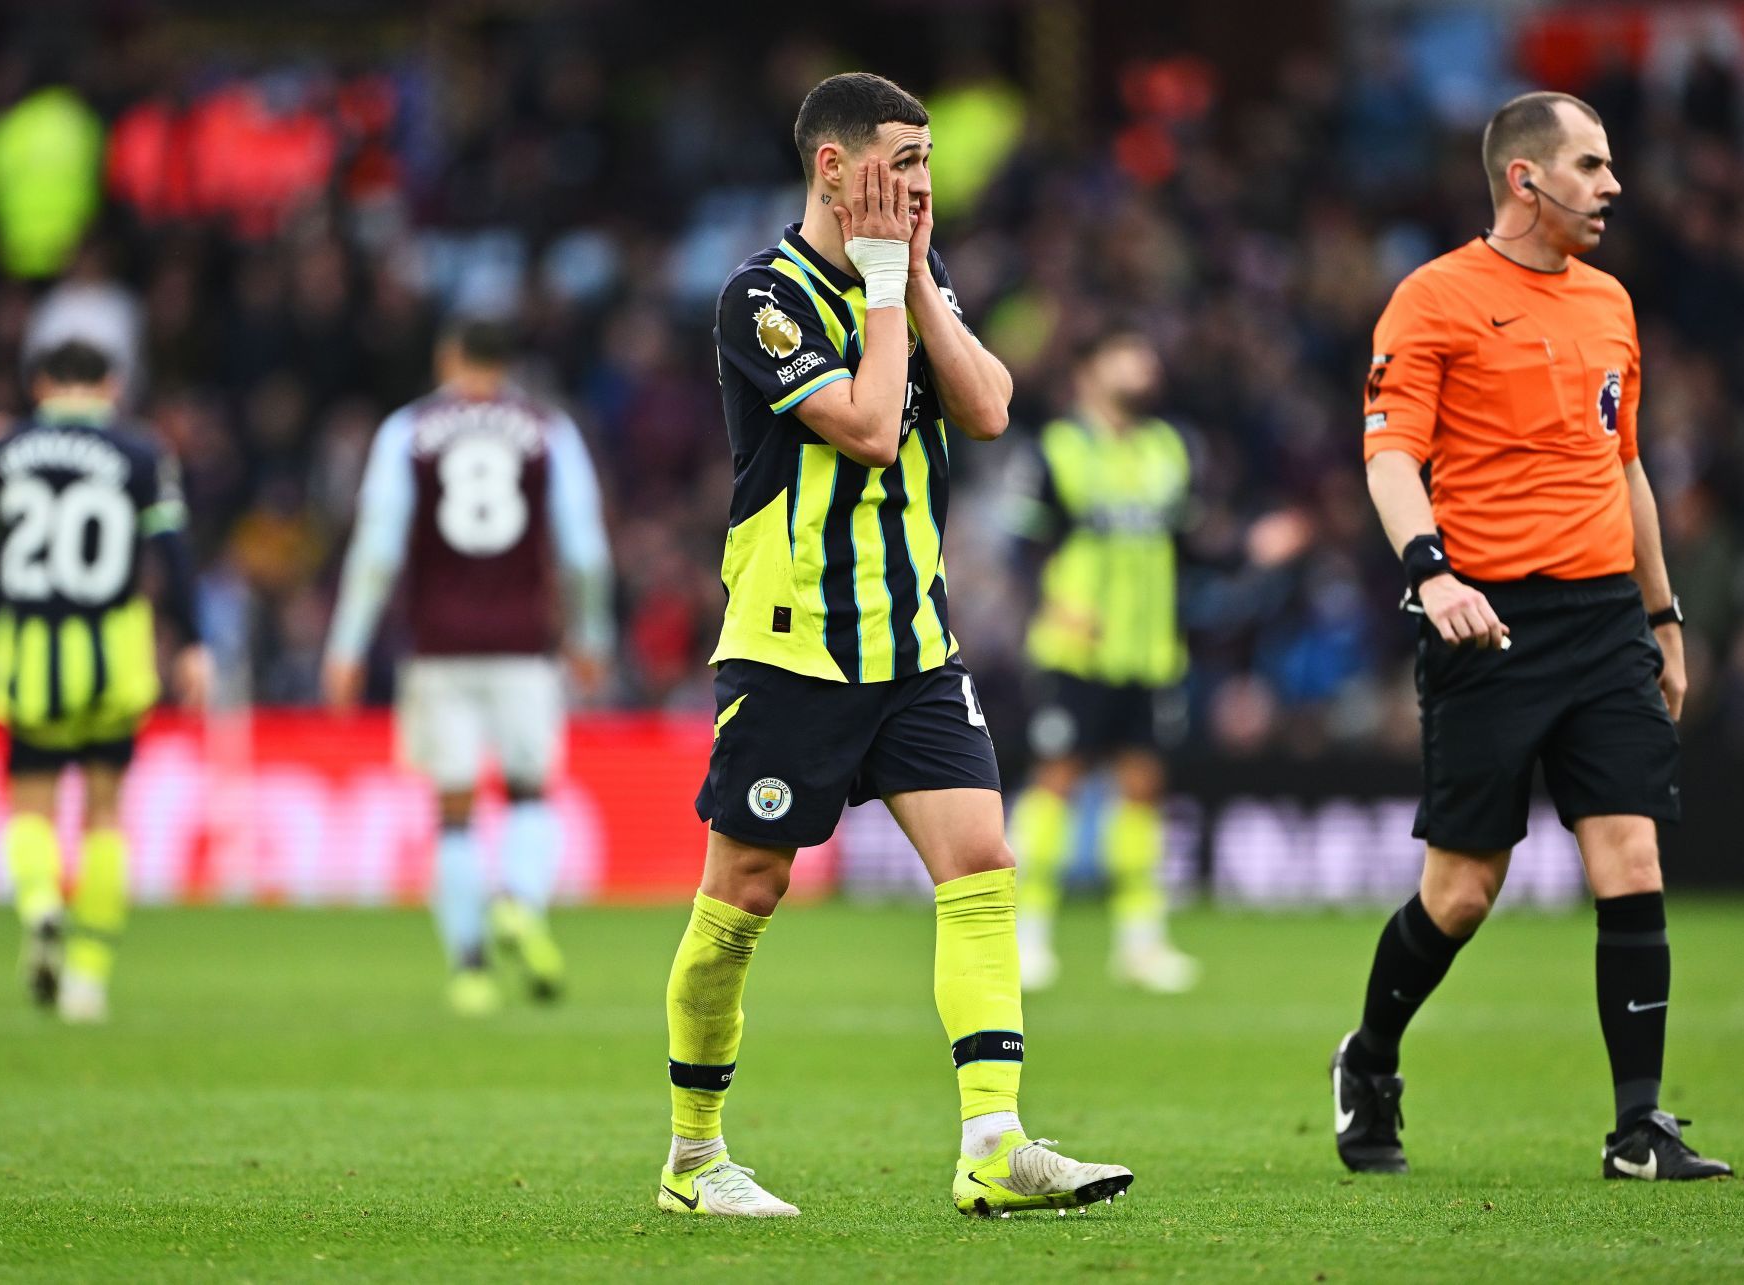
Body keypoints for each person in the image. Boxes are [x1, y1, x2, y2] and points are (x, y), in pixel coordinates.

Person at [658, 72, 1133, 1219]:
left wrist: (911, 277)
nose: (925, 185)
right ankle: (694, 1156)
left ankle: (993, 1142)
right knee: (744, 897)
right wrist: (882, 288)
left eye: (926, 163)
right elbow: (872, 430)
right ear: (835, 169)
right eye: (903, 165)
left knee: (981, 864)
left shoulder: (910, 279)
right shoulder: (760, 299)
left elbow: (988, 406)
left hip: (915, 643)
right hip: (792, 649)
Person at [1329, 92, 1731, 1181]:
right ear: (1526, 179)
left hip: (1604, 616)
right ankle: (1369, 1060)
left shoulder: (1611, 303)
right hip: (1487, 619)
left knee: (1631, 852)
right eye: (1591, 165)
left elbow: (1627, 466)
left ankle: (1638, 1128)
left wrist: (1663, 616)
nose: (1611, 185)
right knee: (1462, 891)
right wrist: (1433, 572)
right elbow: (1389, 456)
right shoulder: (1435, 298)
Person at [322, 319, 615, 1016]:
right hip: (524, 645)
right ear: (507, 363)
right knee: (529, 792)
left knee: (453, 810)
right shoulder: (549, 429)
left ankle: (470, 967)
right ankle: (520, 899)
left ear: (448, 358)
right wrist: (591, 632)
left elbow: (378, 546)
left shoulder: (407, 431)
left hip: (439, 647)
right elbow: (583, 549)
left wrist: (345, 645)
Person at [0, 340, 210, 1023]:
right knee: (103, 809)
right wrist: (191, 640)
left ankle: (39, 907)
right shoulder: (141, 451)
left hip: (31, 647)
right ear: (112, 384)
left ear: (39, 383)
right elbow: (175, 554)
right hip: (113, 650)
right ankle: (88, 977)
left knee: (31, 803)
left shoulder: (2, 450)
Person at [1002, 331, 1200, 994]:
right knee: (1055, 780)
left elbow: (1188, 542)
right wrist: (1053, 605)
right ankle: (1025, 935)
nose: (1145, 363)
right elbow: (1021, 546)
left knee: (1142, 788)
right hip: (1075, 651)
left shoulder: (1167, 448)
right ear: (1088, 370)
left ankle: (1141, 942)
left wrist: (1248, 548)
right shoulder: (1057, 449)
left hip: (1148, 651)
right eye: (1126, 352)